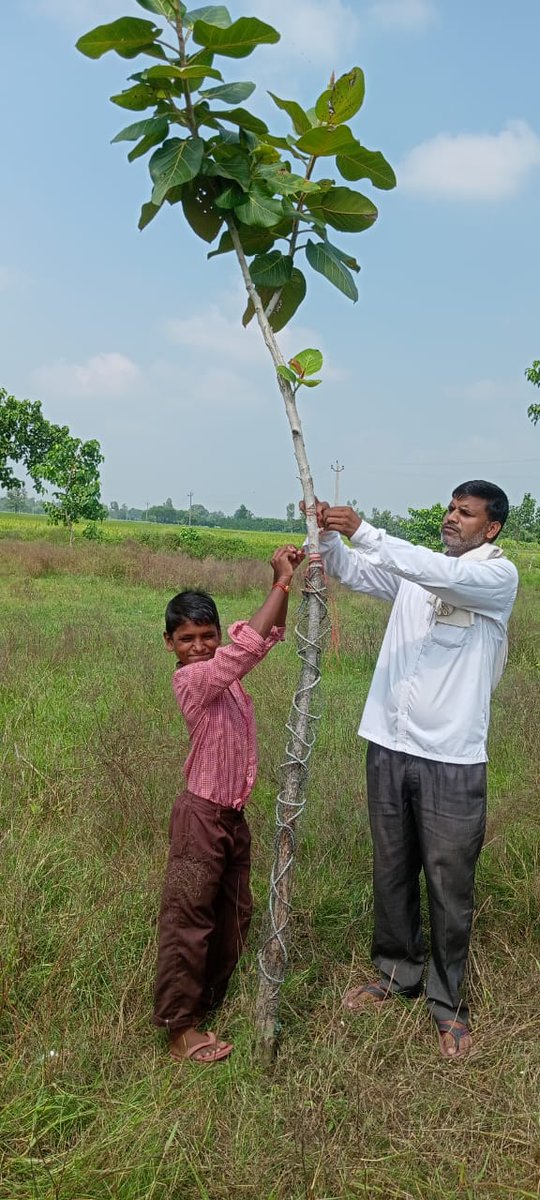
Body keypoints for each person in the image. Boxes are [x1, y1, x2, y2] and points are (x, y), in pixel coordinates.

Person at [310, 481, 518, 1059]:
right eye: (450, 508)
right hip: (388, 742)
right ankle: (397, 972)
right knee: (392, 865)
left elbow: (439, 574)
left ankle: (448, 1004)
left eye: (466, 513)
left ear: (491, 528)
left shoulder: (495, 578)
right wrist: (327, 534)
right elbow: (351, 571)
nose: (452, 518)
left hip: (450, 758)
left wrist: (367, 530)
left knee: (450, 884)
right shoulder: (419, 574)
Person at [153, 544, 304, 1064]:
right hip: (200, 815)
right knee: (188, 919)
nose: (198, 646)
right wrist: (281, 585)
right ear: (170, 644)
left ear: (217, 635)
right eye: (186, 639)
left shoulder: (227, 673)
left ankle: (207, 1002)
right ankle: (180, 1028)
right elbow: (248, 647)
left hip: (231, 816)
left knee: (233, 913)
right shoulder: (193, 679)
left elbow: (263, 640)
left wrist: (284, 579)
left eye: (207, 636)